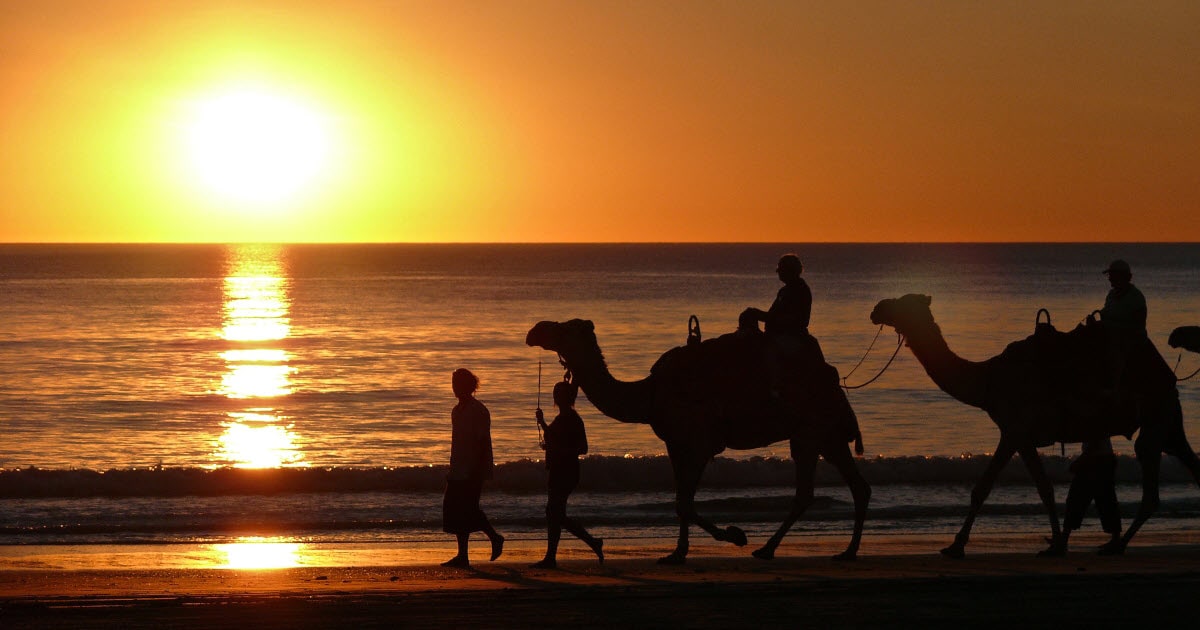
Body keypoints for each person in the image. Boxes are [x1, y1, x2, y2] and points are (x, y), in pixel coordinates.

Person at [531, 380, 603, 569]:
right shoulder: (560, 418)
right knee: (555, 514)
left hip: (567, 471)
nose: (557, 396)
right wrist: (544, 427)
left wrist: (559, 446)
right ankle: (591, 543)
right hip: (557, 470)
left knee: (554, 513)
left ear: (568, 397)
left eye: (561, 393)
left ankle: (552, 557)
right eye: (555, 392)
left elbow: (583, 447)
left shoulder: (572, 418)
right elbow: (555, 439)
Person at [441, 368, 503, 568]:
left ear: (469, 386)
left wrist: (478, 469)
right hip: (458, 467)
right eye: (453, 384)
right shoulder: (456, 410)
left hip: (473, 469)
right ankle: (463, 555)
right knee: (455, 509)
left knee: (469, 509)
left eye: (458, 384)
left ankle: (494, 537)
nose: (455, 388)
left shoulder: (478, 410)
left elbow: (483, 441)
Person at [741, 254, 814, 395]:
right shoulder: (785, 291)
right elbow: (773, 315)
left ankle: (775, 387)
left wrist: (759, 315)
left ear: (790, 270)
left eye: (781, 269)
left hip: (791, 337)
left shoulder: (800, 290)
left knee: (769, 351)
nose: (778, 272)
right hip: (779, 335)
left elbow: (796, 320)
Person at [1090, 259, 1148, 392]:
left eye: (1113, 276)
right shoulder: (1111, 295)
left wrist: (1110, 327)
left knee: (1115, 355)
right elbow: (1105, 313)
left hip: (1130, 342)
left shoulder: (1136, 298)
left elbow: (1136, 326)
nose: (1110, 279)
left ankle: (1114, 390)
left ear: (1124, 277)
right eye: (1110, 276)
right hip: (1111, 337)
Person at [1061, 437, 1122, 551]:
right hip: (1103, 459)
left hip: (1096, 459)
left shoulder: (1093, 419)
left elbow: (1096, 441)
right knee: (1106, 500)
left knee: (1077, 499)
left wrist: (1081, 460)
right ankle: (1115, 540)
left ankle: (1063, 540)